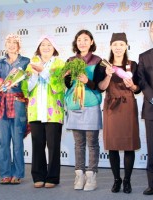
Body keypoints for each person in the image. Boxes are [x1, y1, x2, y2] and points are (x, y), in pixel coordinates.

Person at [94, 32, 141, 193]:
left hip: (128, 107)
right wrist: (107, 76)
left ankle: (127, 181)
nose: (118, 47)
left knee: (129, 146)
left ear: (126, 46)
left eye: (121, 44)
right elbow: (100, 87)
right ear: (111, 46)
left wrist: (132, 86)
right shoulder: (104, 65)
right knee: (112, 145)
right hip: (111, 107)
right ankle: (116, 180)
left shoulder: (132, 64)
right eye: (115, 44)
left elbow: (138, 88)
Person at [24, 35, 65, 188]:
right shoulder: (31, 64)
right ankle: (38, 176)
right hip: (35, 110)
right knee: (37, 144)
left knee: (54, 146)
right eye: (42, 45)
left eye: (49, 45)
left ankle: (52, 177)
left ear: (54, 47)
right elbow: (26, 88)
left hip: (53, 111)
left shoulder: (60, 64)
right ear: (38, 47)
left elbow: (60, 87)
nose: (46, 47)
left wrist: (44, 72)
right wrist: (34, 75)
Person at [64, 30, 102, 191]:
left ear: (92, 42)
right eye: (79, 40)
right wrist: (67, 76)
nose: (82, 42)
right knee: (78, 143)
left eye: (86, 39)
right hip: (75, 105)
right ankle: (79, 175)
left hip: (91, 104)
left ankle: (91, 176)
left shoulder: (98, 60)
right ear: (76, 42)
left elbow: (100, 87)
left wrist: (87, 81)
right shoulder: (71, 60)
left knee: (92, 143)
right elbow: (67, 85)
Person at [0, 34, 30, 184]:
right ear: (5, 45)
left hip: (18, 103)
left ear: (19, 45)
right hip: (2, 103)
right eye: (9, 42)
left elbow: (29, 83)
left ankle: (18, 174)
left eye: (14, 43)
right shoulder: (0, 63)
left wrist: (19, 86)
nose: (11, 45)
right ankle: (5, 173)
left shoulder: (26, 61)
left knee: (18, 141)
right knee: (2, 141)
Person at [138, 21, 153, 195]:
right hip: (151, 109)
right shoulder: (144, 56)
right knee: (152, 148)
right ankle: (152, 184)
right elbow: (141, 80)